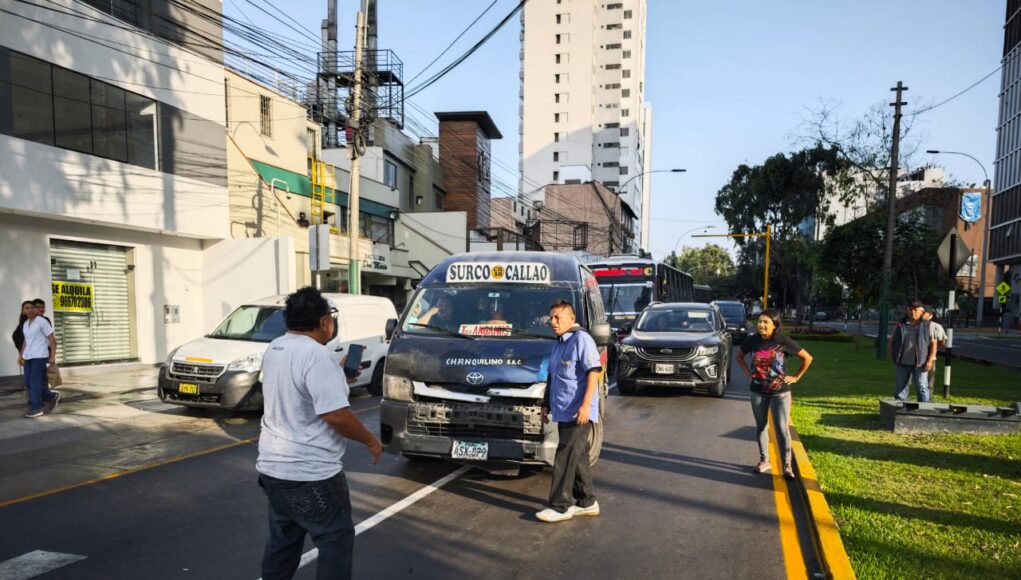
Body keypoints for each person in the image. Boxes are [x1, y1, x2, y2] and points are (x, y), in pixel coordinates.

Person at [256, 287, 382, 580]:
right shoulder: (317, 356)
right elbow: (335, 415)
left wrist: (338, 375)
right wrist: (370, 440)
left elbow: (297, 389)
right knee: (335, 540)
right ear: (325, 321)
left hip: (273, 469)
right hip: (310, 473)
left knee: (283, 544)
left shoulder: (275, 348)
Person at [536, 300, 602, 523]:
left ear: (571, 318)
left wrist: (585, 405)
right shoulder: (559, 344)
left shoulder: (581, 340)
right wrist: (546, 404)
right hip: (563, 410)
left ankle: (561, 505)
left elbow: (593, 373)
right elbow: (553, 376)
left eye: (558, 318)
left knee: (564, 454)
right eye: (551, 318)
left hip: (578, 411)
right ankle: (587, 501)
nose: (553, 322)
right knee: (579, 456)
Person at [735, 309, 813, 480]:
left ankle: (787, 465)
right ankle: (764, 460)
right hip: (757, 391)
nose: (761, 325)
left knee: (782, 429)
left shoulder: (783, 341)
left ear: (775, 325)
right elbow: (739, 357)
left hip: (780, 393)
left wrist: (796, 377)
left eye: (766, 322)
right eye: (760, 321)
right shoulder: (752, 341)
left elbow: (807, 358)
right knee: (761, 426)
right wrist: (749, 374)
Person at [888, 299, 937, 403]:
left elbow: (934, 344)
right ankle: (900, 409)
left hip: (920, 363)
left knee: (922, 388)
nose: (912, 312)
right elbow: (891, 341)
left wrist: (930, 360)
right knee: (900, 388)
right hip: (902, 362)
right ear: (907, 310)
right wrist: (893, 355)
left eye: (915, 309)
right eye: (910, 309)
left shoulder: (927, 325)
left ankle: (924, 409)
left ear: (922, 311)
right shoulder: (900, 325)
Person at [18, 300, 60, 418]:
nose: (30, 310)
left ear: (35, 310)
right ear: (23, 311)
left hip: (40, 356)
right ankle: (51, 396)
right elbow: (26, 341)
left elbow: (51, 339)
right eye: (27, 308)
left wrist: (52, 356)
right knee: (27, 382)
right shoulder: (26, 323)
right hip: (28, 356)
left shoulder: (42, 322)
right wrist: (21, 355)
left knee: (34, 383)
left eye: (32, 307)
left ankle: (37, 407)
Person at [923, 310, 947, 393]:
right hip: (913, 356)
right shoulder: (914, 324)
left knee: (929, 379)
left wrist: (933, 351)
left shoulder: (936, 327)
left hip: (930, 357)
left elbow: (942, 342)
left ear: (930, 315)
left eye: (924, 313)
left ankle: (928, 398)